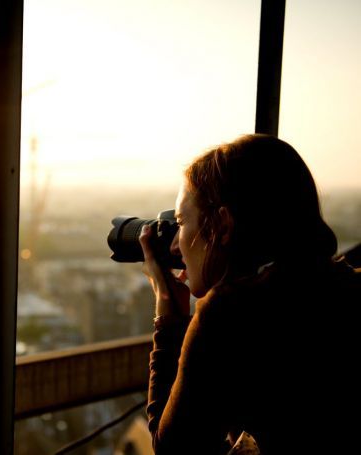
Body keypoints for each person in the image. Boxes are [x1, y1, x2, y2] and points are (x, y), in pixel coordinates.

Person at [138, 134, 360, 454]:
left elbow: (175, 449)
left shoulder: (231, 312)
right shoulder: (345, 284)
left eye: (182, 223)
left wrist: (170, 319)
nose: (175, 246)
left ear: (223, 226)